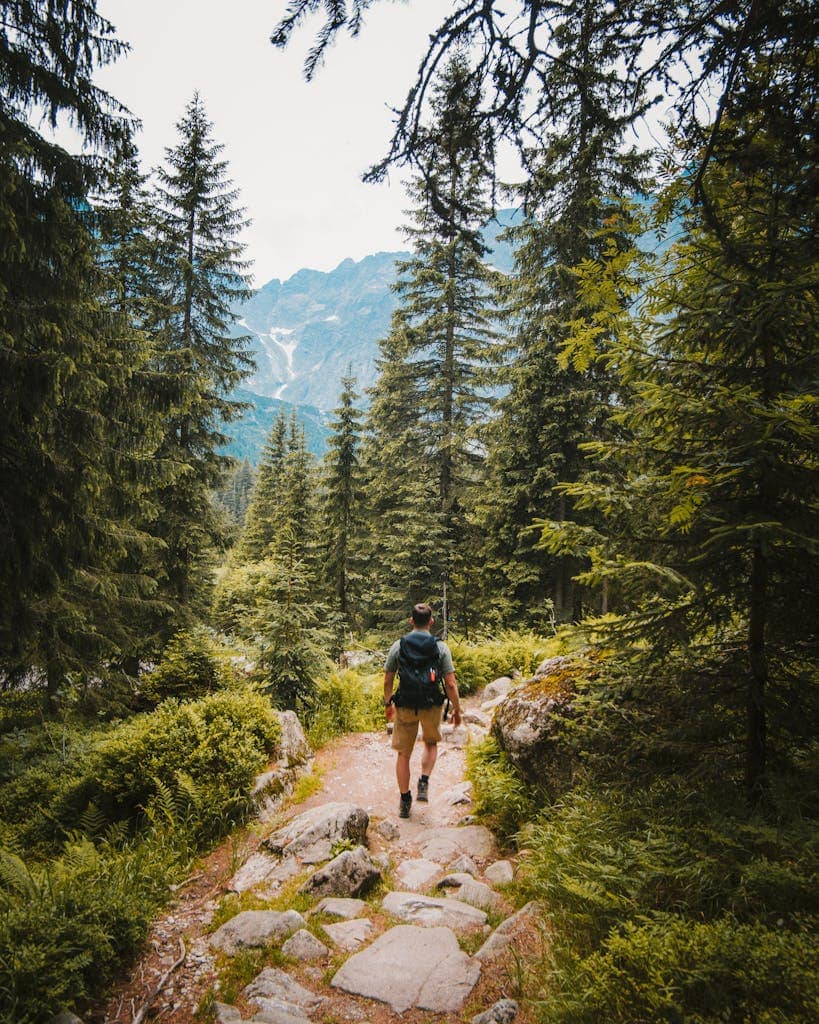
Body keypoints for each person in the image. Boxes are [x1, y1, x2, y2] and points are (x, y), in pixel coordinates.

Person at [383, 602, 462, 818]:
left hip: (406, 704)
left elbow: (388, 678)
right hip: (431, 704)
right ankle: (424, 781)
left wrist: (388, 703)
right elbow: (451, 684)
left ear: (411, 621)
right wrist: (457, 710)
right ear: (431, 621)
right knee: (430, 742)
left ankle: (405, 798)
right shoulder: (441, 648)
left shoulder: (398, 646)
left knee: (403, 754)